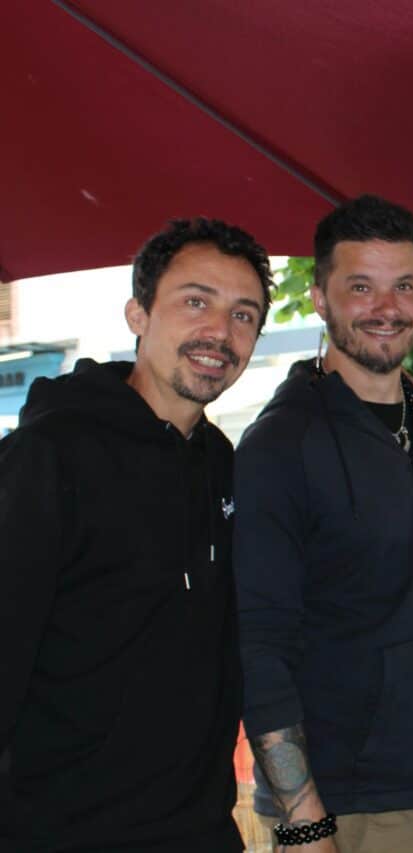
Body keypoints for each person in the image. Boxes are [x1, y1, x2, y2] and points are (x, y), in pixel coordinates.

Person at [233, 195, 413, 853]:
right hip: (355, 813)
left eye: (403, 285)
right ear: (319, 297)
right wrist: (305, 822)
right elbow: (259, 646)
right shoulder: (280, 445)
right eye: (360, 287)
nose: (385, 307)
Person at [0, 218, 272, 851]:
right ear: (137, 313)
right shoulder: (50, 455)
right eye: (195, 301)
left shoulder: (224, 465)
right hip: (60, 834)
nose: (219, 333)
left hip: (201, 830)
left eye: (244, 315)